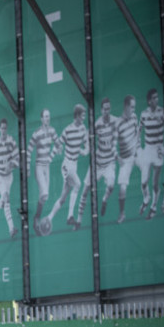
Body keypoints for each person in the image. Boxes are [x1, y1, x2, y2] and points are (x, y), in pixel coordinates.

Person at [41, 104, 89, 231]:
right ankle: (70, 216)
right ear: (77, 116)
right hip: (67, 165)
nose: (84, 117)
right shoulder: (68, 130)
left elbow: (86, 150)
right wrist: (49, 161)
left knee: (63, 197)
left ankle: (49, 218)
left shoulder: (84, 129)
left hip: (74, 165)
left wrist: (82, 151)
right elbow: (57, 145)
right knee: (78, 185)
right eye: (83, 115)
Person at [74, 98, 118, 229]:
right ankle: (79, 220)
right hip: (98, 163)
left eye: (109, 109)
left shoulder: (115, 121)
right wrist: (85, 150)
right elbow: (87, 137)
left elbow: (118, 136)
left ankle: (104, 200)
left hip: (109, 162)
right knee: (85, 190)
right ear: (101, 110)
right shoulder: (97, 124)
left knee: (110, 185)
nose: (107, 112)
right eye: (105, 109)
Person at [27, 109, 60, 234]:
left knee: (45, 197)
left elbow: (58, 145)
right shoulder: (36, 133)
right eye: (45, 117)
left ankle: (37, 217)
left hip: (47, 166)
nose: (47, 118)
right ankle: (37, 217)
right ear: (41, 119)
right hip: (39, 166)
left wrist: (51, 157)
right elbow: (29, 150)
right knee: (45, 193)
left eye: (48, 116)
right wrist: (28, 168)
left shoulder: (52, 131)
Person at [0, 118, 20, 238]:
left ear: (7, 129)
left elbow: (17, 159)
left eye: (5, 128)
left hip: (9, 177)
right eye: (2, 128)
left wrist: (11, 165)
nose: (3, 130)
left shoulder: (11, 142)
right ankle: (11, 229)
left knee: (4, 201)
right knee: (7, 199)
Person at [138, 88, 164, 219]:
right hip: (148, 149)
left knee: (155, 183)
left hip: (158, 149)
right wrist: (137, 146)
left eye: (157, 97)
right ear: (149, 101)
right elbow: (139, 130)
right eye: (153, 98)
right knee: (143, 182)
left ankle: (154, 207)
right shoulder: (143, 114)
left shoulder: (162, 112)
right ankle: (146, 198)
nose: (156, 100)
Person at [115, 95, 140, 224]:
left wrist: (138, 149)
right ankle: (122, 213)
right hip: (125, 159)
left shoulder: (135, 117)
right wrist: (117, 156)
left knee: (154, 167)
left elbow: (138, 133)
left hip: (136, 154)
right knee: (122, 188)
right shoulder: (118, 124)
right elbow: (112, 144)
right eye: (132, 107)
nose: (133, 109)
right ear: (126, 106)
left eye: (134, 107)